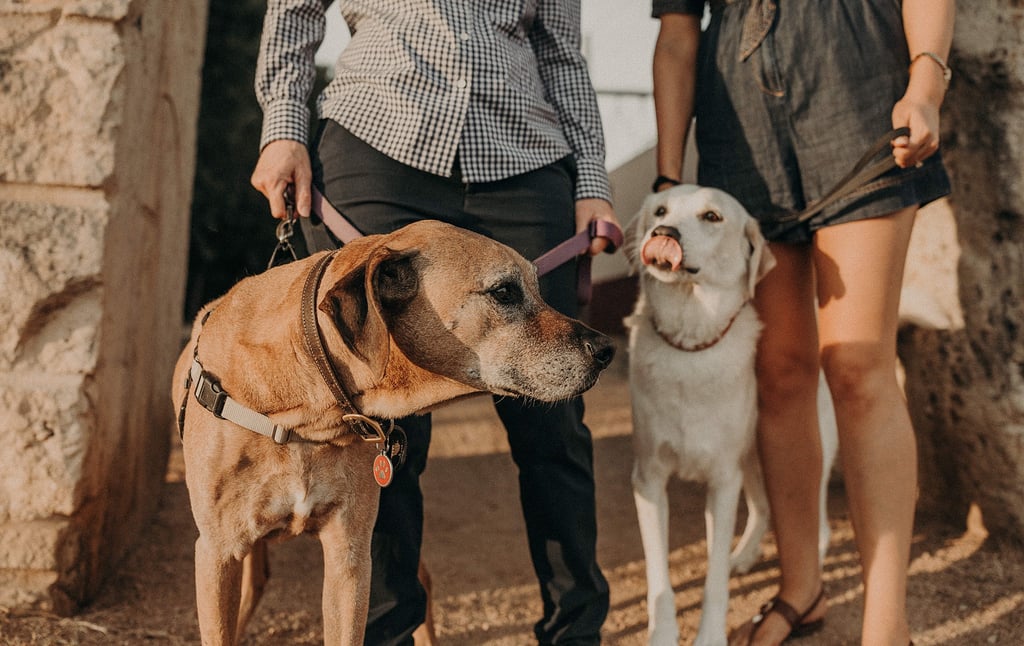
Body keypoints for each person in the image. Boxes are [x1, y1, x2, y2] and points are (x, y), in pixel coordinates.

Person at [250, 2, 620, 644]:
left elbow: (562, 51)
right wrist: (284, 126)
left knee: (555, 419)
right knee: (376, 417)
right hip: (378, 139)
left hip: (522, 157)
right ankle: (387, 632)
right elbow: (295, 10)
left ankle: (576, 631)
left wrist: (591, 180)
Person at [649, 1, 954, 645]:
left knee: (856, 364)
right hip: (738, 128)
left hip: (856, 91)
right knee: (781, 371)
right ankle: (801, 589)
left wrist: (925, 83)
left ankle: (884, 626)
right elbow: (678, 34)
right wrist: (669, 178)